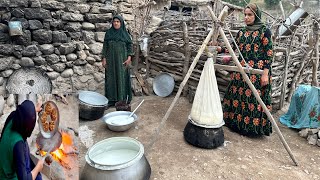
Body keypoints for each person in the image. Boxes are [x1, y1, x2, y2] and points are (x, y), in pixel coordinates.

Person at [218, 3, 273, 136]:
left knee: (254, 100)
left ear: (256, 16)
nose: (247, 18)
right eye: (245, 15)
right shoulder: (242, 32)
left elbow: (269, 53)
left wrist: (265, 74)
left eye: (250, 15)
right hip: (241, 71)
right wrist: (221, 49)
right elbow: (233, 47)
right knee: (239, 98)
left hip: (257, 73)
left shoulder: (264, 31)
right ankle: (237, 126)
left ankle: (252, 131)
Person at [0, 100, 44, 180]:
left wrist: (33, 111)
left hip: (4, 159)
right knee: (38, 177)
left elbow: (23, 114)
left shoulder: (14, 116)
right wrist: (38, 167)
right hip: (7, 176)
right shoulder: (18, 145)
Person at [101, 15, 133, 106]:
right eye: (114, 21)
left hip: (122, 61)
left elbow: (130, 46)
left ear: (121, 23)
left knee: (122, 79)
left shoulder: (125, 34)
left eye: (118, 21)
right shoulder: (108, 33)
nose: (116, 23)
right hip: (110, 61)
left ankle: (122, 100)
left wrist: (129, 58)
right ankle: (111, 100)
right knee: (111, 80)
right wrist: (104, 58)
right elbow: (105, 46)